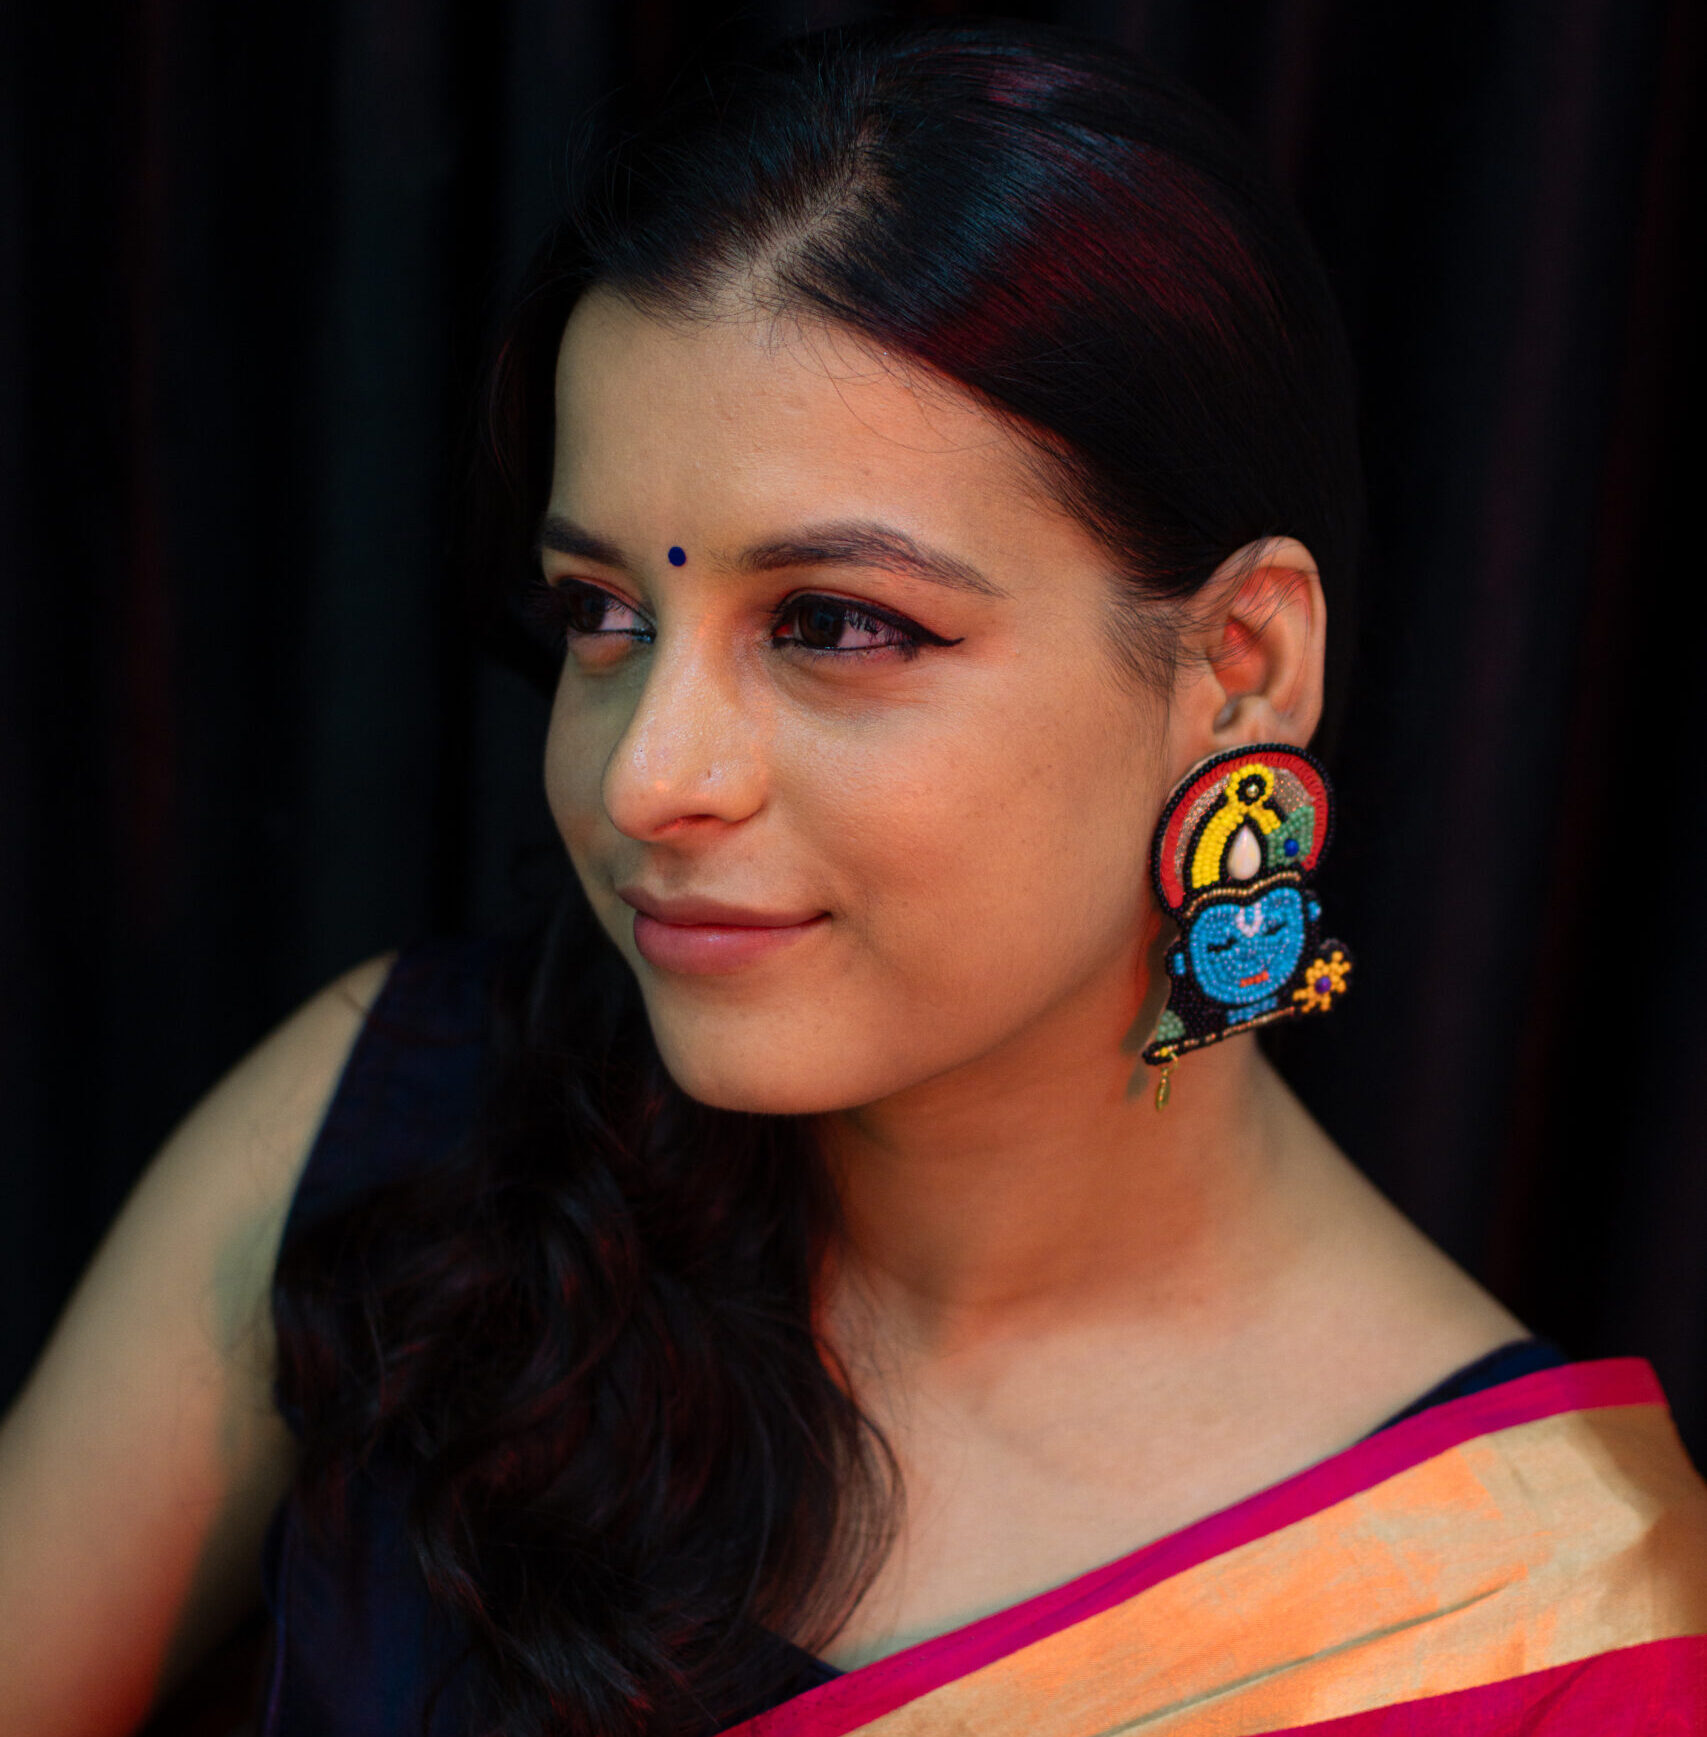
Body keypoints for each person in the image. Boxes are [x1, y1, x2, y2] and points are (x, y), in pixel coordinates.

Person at [3, 19, 1704, 1737]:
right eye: (607, 611)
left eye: (836, 625)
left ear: (1241, 667)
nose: (646, 777)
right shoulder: (406, 1131)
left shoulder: (1538, 1622)